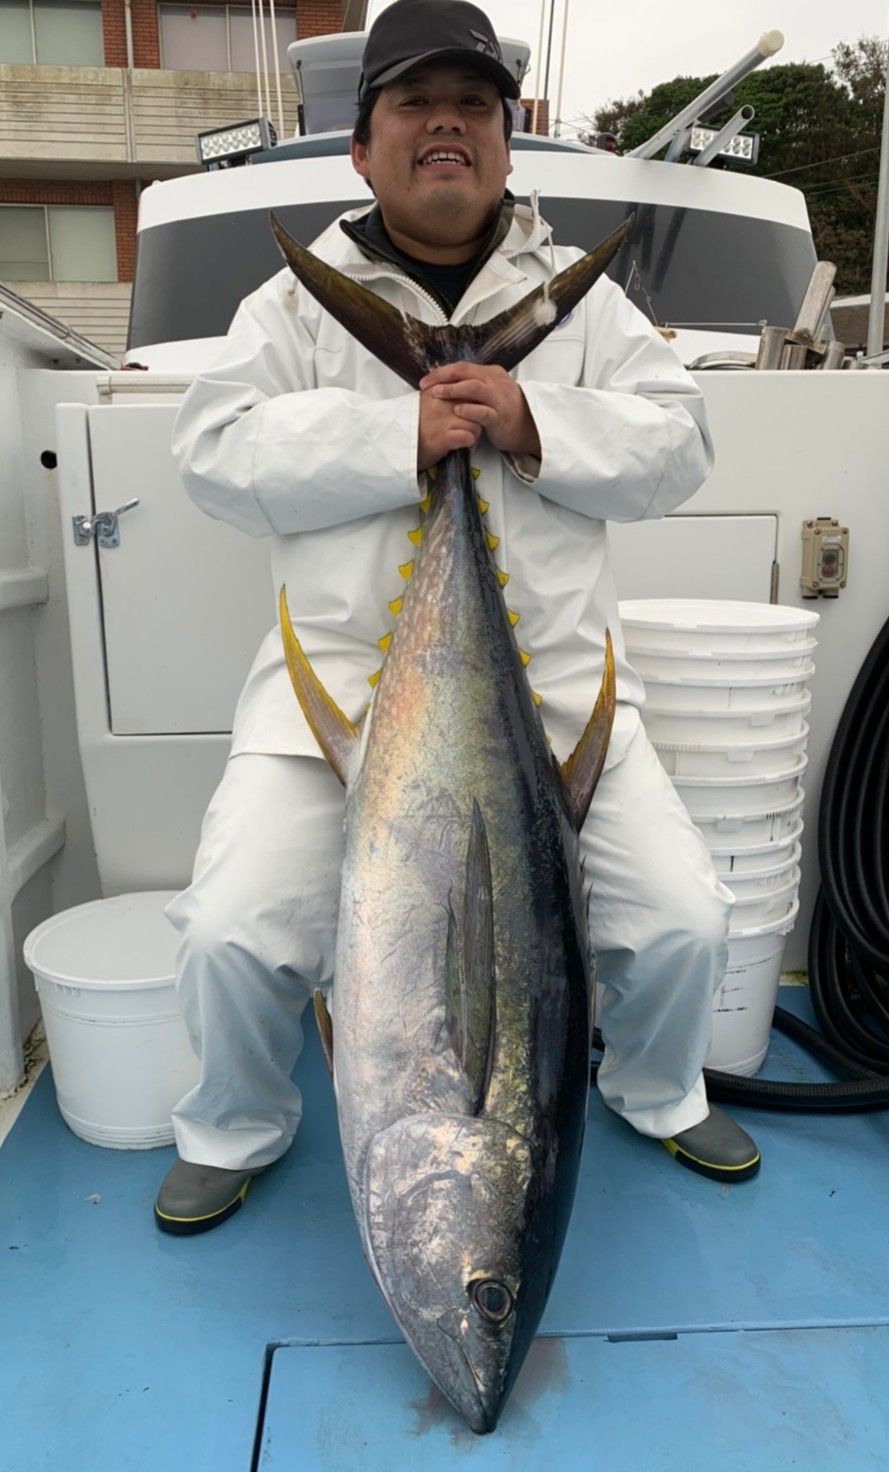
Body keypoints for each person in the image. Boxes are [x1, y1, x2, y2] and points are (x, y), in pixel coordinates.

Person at [158, 0, 759, 1236]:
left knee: (685, 920)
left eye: (472, 105)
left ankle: (654, 1089)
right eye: (414, 104)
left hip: (558, 700)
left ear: (505, 137)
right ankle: (235, 1125)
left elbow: (681, 444)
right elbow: (211, 453)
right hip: (332, 702)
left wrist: (535, 420)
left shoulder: (585, 307)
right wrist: (401, 432)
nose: (446, 124)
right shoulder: (289, 309)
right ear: (361, 146)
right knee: (227, 934)